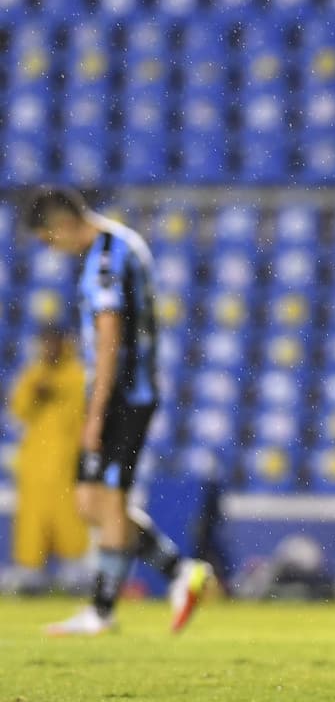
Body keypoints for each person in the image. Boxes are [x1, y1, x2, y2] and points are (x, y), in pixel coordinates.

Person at [24, 188, 213, 636]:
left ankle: (102, 610)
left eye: (50, 240)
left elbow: (109, 334)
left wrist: (96, 411)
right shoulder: (117, 244)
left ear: (62, 225)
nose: (54, 249)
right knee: (92, 502)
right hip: (124, 395)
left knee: (109, 503)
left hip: (125, 397)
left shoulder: (105, 259)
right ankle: (179, 571)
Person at [6, 326, 90, 593]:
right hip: (34, 465)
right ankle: (31, 575)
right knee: (32, 522)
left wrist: (52, 388)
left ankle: (74, 575)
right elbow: (18, 409)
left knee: (68, 520)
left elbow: (79, 412)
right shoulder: (33, 375)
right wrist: (35, 391)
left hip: (65, 464)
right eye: (45, 343)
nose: (49, 349)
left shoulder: (76, 375)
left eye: (54, 343)